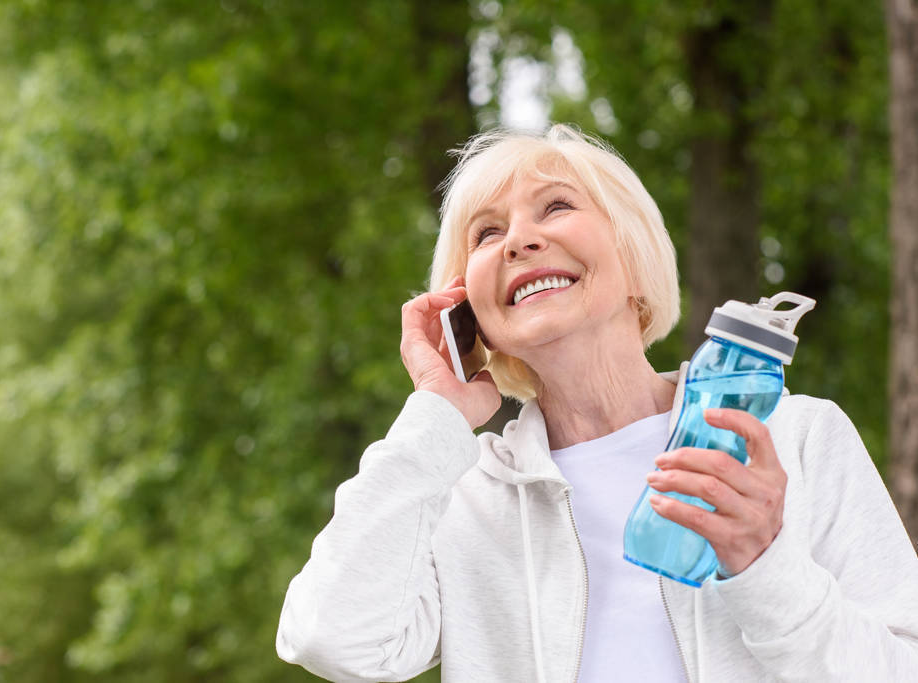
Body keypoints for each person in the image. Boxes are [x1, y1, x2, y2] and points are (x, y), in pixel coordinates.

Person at [275, 124, 918, 682]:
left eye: (555, 206)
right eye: (487, 233)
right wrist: (435, 418)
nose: (518, 241)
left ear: (634, 258)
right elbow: (332, 638)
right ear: (467, 311)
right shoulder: (459, 497)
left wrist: (765, 567)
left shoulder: (795, 437)